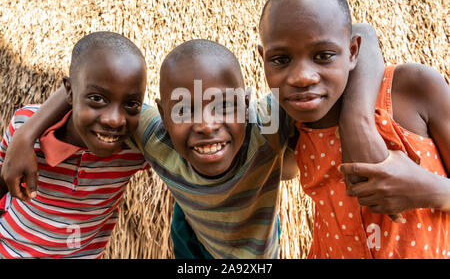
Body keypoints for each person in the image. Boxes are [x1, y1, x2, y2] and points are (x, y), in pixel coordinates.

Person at [1, 35, 384, 258]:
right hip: (191, 238)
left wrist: (358, 121)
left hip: (255, 247)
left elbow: (361, 33)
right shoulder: (147, 133)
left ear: (248, 104)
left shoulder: (267, 123)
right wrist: (26, 134)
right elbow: (88, 91)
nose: (205, 124)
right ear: (164, 116)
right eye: (185, 109)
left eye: (223, 105)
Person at [258, 0, 449, 259]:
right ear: (262, 58)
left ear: (353, 52)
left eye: (323, 55)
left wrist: (429, 189)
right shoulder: (288, 125)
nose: (301, 77)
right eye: (281, 60)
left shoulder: (414, 89)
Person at [0, 31, 150, 258]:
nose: (115, 120)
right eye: (98, 99)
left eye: (131, 104)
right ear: (69, 91)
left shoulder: (135, 150)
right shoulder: (24, 124)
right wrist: (26, 135)